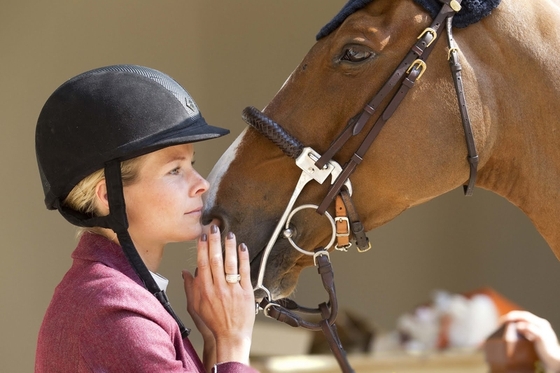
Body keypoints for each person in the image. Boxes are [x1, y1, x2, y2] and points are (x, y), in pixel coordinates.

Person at [34, 65, 259, 372]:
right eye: (175, 170)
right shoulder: (115, 314)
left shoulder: (109, 295)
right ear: (109, 197)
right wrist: (233, 341)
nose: (202, 183)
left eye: (191, 164)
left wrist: (214, 344)